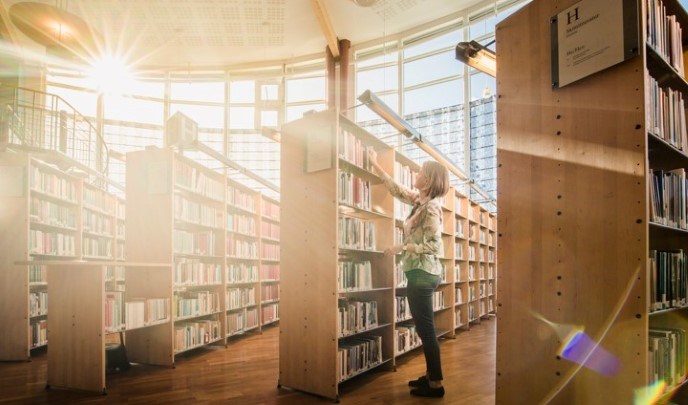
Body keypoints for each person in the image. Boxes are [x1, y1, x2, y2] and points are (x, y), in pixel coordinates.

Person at [368, 150, 449, 398]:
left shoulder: (432, 209)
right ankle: (429, 376)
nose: (416, 173)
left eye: (420, 172)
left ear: (429, 180)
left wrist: (401, 247)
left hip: (423, 273)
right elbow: (396, 189)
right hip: (419, 272)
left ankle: (436, 384)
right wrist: (375, 165)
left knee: (426, 330)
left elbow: (435, 246)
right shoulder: (419, 201)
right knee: (425, 329)